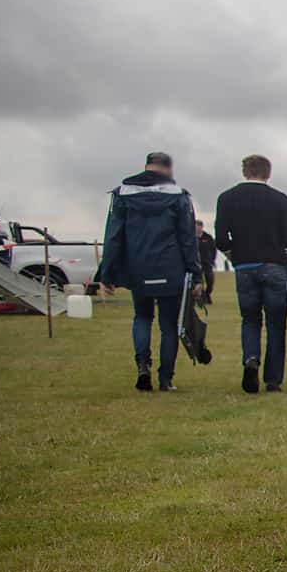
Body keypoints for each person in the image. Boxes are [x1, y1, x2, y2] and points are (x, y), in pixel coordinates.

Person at [96, 151, 201, 392]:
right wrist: (196, 274)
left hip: (137, 268)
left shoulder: (123, 193)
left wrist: (107, 273)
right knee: (168, 325)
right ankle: (166, 378)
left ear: (146, 166)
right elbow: (188, 240)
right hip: (170, 268)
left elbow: (113, 237)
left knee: (142, 318)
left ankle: (143, 365)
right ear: (167, 169)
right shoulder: (178, 196)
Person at [214, 154, 287, 395]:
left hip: (244, 268)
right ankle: (273, 380)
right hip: (275, 267)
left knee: (250, 320)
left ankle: (251, 359)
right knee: (276, 325)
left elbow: (221, 239)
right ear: (268, 173)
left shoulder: (226, 198)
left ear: (245, 172)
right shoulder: (281, 200)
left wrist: (237, 258)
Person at [195, 220, 218, 306]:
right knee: (199, 282)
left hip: (207, 263)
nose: (197, 228)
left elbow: (213, 249)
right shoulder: (191, 238)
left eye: (198, 226)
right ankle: (202, 298)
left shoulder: (208, 237)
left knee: (210, 281)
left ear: (201, 227)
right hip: (196, 264)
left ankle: (207, 294)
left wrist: (212, 260)